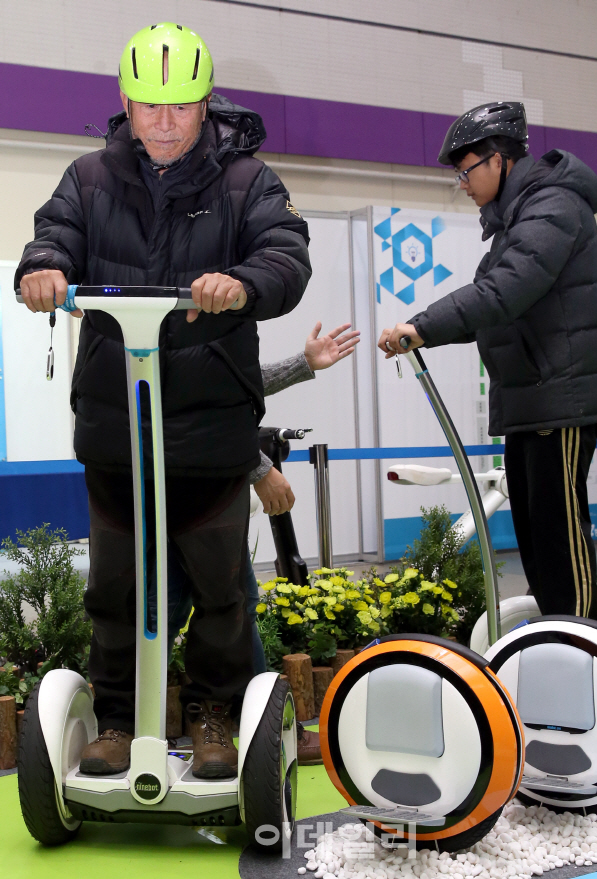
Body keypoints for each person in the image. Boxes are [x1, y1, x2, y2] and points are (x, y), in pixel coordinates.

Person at [16, 22, 311, 779]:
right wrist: (44, 270)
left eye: (181, 106)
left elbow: (286, 254)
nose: (166, 121)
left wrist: (242, 282)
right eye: (150, 105)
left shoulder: (247, 181)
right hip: (117, 431)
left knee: (220, 592)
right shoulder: (88, 178)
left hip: (209, 435)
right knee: (113, 591)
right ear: (126, 101)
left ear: (205, 104)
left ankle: (215, 714)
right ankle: (116, 718)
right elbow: (52, 239)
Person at [379, 101, 597, 621]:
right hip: (532, 399)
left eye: (465, 171)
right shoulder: (515, 220)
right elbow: (490, 302)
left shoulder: (553, 205)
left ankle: (582, 647)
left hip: (562, 399)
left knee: (560, 539)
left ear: (498, 160)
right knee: (535, 538)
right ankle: (557, 641)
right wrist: (424, 330)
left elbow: (505, 290)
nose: (461, 183)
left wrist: (421, 327)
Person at [160, 320, 360, 764]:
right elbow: (195, 406)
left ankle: (264, 726)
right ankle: (150, 727)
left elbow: (227, 388)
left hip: (204, 484)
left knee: (236, 601)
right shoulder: (164, 311)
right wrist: (257, 466)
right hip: (182, 487)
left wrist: (302, 364)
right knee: (171, 610)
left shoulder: (199, 312)